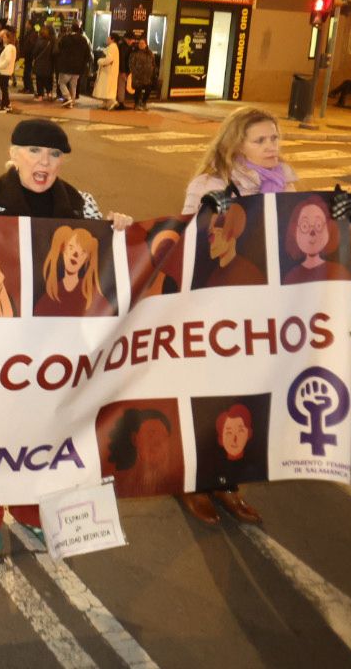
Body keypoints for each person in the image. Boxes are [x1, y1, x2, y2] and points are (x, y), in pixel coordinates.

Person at [0, 118, 130, 553]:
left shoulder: (80, 205)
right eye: (34, 152)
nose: (44, 162)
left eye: (54, 155)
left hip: (54, 344)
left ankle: (31, 509)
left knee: (42, 429)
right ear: (14, 154)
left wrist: (119, 227)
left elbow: (110, 257)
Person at [178, 106, 299, 526]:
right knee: (211, 396)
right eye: (260, 140)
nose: (271, 148)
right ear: (236, 144)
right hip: (218, 310)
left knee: (247, 399)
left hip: (265, 310)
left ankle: (227, 478)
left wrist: (337, 221)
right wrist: (211, 215)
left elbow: (299, 245)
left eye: (274, 139)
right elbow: (190, 245)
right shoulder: (211, 183)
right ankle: (195, 480)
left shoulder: (284, 183)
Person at [55, 26, 91, 107]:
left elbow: (59, 48)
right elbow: (87, 54)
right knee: (73, 85)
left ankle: (68, 98)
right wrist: (83, 63)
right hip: (78, 68)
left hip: (66, 66)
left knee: (62, 83)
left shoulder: (66, 38)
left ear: (71, 30)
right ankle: (72, 101)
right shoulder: (83, 40)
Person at [93, 34, 121, 110]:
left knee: (108, 88)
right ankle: (105, 103)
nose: (107, 39)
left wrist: (100, 61)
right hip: (108, 71)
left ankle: (112, 102)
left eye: (108, 37)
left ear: (113, 39)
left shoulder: (112, 47)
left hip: (108, 72)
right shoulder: (113, 47)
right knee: (106, 88)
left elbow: (109, 59)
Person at [128, 39, 157, 110]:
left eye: (143, 43)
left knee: (148, 90)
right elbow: (131, 64)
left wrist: (153, 73)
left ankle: (144, 103)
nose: (141, 44)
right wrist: (135, 72)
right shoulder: (134, 53)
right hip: (137, 76)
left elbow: (153, 64)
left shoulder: (150, 53)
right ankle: (136, 104)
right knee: (138, 91)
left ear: (146, 44)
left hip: (148, 77)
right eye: (140, 43)